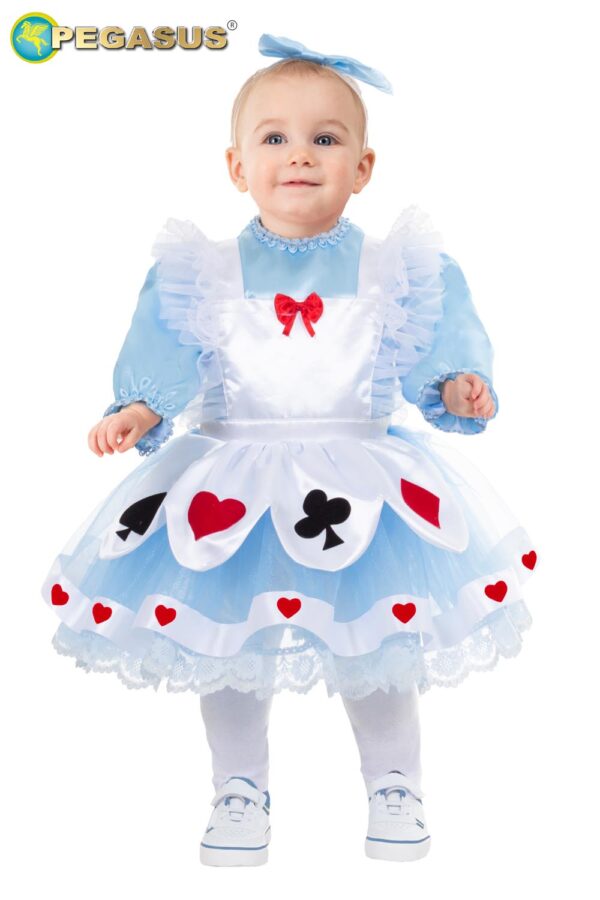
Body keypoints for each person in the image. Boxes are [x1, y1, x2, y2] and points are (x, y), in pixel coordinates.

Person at [41, 33, 538, 866]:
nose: (300, 155)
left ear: (363, 167)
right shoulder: (199, 271)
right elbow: (167, 355)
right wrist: (140, 407)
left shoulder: (398, 269)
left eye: (325, 138)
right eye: (274, 137)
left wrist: (457, 387)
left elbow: (436, 351)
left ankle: (394, 783)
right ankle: (239, 787)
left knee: (374, 642)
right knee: (228, 643)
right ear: (237, 166)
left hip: (360, 485)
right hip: (232, 482)